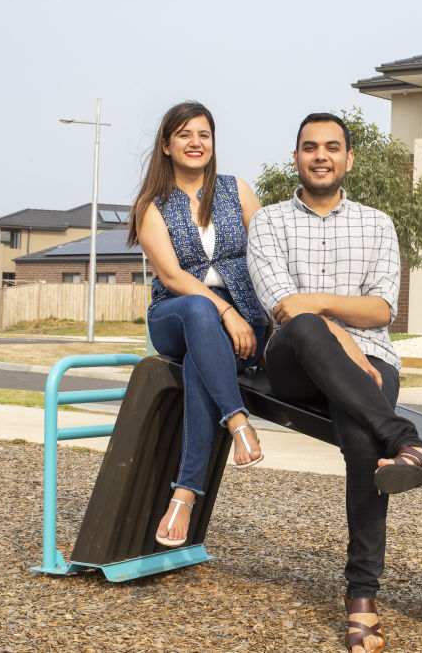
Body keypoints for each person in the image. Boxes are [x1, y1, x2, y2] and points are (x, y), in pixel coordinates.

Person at [246, 112, 422, 653]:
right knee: (310, 327)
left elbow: (383, 309)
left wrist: (323, 307)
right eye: (309, 147)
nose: (320, 156)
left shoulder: (379, 223)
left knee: (361, 438)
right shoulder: (267, 223)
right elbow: (285, 308)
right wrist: (334, 324)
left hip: (373, 361)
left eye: (332, 147)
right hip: (294, 364)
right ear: (296, 158)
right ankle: (405, 438)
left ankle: (362, 597)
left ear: (347, 159)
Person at [126, 101, 269, 548]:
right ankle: (237, 420)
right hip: (177, 314)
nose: (195, 142)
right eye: (185, 135)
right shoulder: (152, 205)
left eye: (203, 134)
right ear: (167, 145)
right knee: (201, 310)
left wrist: (266, 316)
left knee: (199, 368)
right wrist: (225, 312)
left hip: (242, 320)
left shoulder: (237, 191)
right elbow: (172, 276)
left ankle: (183, 498)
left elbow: (267, 256)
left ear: (212, 142)